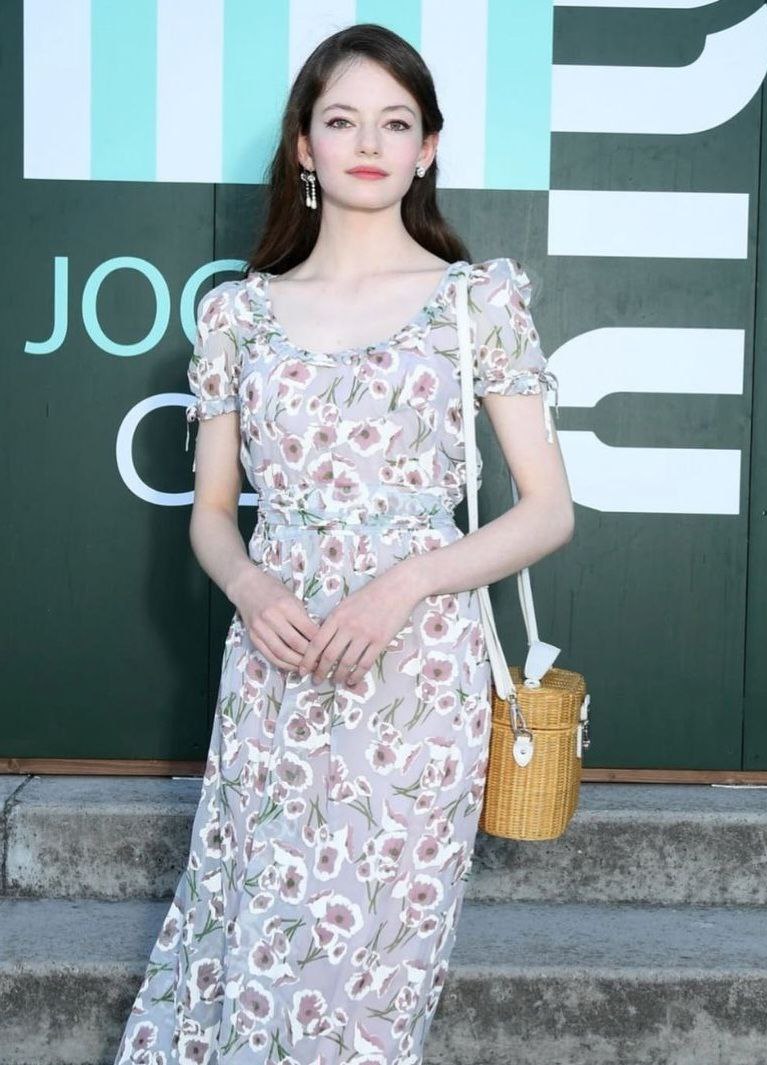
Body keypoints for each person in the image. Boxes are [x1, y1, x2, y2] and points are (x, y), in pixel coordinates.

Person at [114, 21, 574, 1065]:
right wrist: (250, 588)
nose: (369, 143)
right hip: (277, 663)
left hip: (418, 671)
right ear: (303, 145)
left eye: (395, 122)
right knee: (248, 936)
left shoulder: (477, 302)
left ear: (428, 147)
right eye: (342, 120)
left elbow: (547, 509)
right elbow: (212, 511)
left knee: (371, 977)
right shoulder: (236, 315)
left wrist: (404, 583)